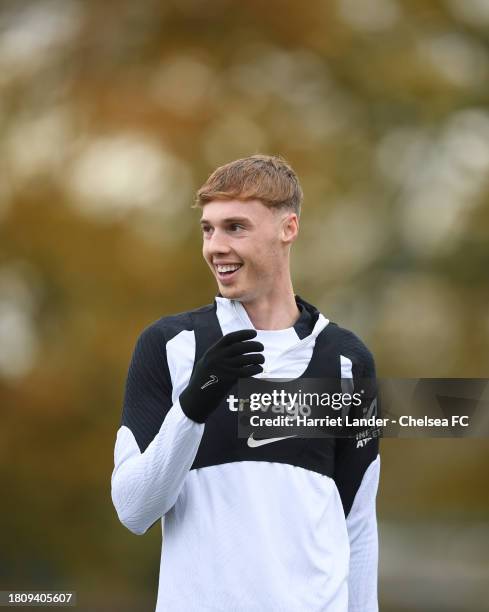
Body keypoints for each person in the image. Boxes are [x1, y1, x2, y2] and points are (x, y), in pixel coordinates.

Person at [111, 154, 381, 611]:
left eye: (235, 227)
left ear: (288, 228)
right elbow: (134, 509)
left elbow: (357, 525)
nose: (216, 246)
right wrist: (193, 408)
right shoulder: (170, 345)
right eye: (208, 229)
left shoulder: (346, 361)